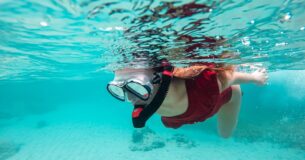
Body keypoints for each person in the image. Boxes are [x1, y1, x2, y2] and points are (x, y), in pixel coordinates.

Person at [106, 58, 268, 138]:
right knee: (171, 124)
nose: (132, 98)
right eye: (120, 89)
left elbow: (233, 77)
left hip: (210, 100)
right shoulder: (140, 95)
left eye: (136, 86)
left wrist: (256, 78)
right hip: (178, 115)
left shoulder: (205, 84)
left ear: (160, 78)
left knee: (225, 135)